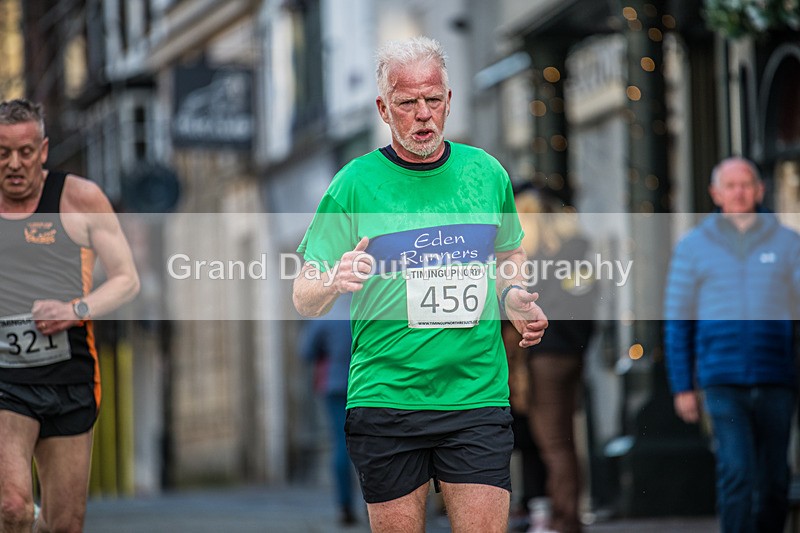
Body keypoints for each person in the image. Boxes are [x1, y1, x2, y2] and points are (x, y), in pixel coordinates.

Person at [292, 36, 548, 533]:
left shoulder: (486, 173)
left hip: (476, 397)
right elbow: (303, 295)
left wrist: (512, 295)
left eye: (433, 100)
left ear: (449, 100)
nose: (423, 114)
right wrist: (333, 279)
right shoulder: (353, 184)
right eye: (408, 103)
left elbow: (509, 253)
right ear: (383, 109)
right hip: (387, 399)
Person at [0, 99, 140, 533]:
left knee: (63, 525)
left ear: (43, 150)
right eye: (2, 153)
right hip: (6, 378)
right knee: (13, 506)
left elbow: (126, 280)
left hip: (70, 374)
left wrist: (74, 310)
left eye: (25, 152)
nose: (14, 164)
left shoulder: (80, 198)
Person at [664, 157, 800, 533]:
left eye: (746, 185)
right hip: (721, 379)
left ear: (759, 190)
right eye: (731, 185)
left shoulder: (788, 242)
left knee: (775, 480)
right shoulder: (692, 247)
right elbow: (678, 320)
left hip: (776, 376)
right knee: (737, 472)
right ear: (716, 194)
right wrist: (681, 386)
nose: (739, 192)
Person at [516, 186, 596, 533]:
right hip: (569, 355)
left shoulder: (535, 261)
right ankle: (566, 516)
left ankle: (564, 519)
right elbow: (588, 304)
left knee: (553, 444)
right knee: (563, 441)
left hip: (545, 356)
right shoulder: (576, 251)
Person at [299, 293, 359, 526]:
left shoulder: (326, 313)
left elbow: (305, 351)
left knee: (341, 444)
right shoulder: (367, 307)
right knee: (373, 443)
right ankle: (374, 502)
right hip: (367, 385)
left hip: (334, 386)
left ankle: (345, 506)